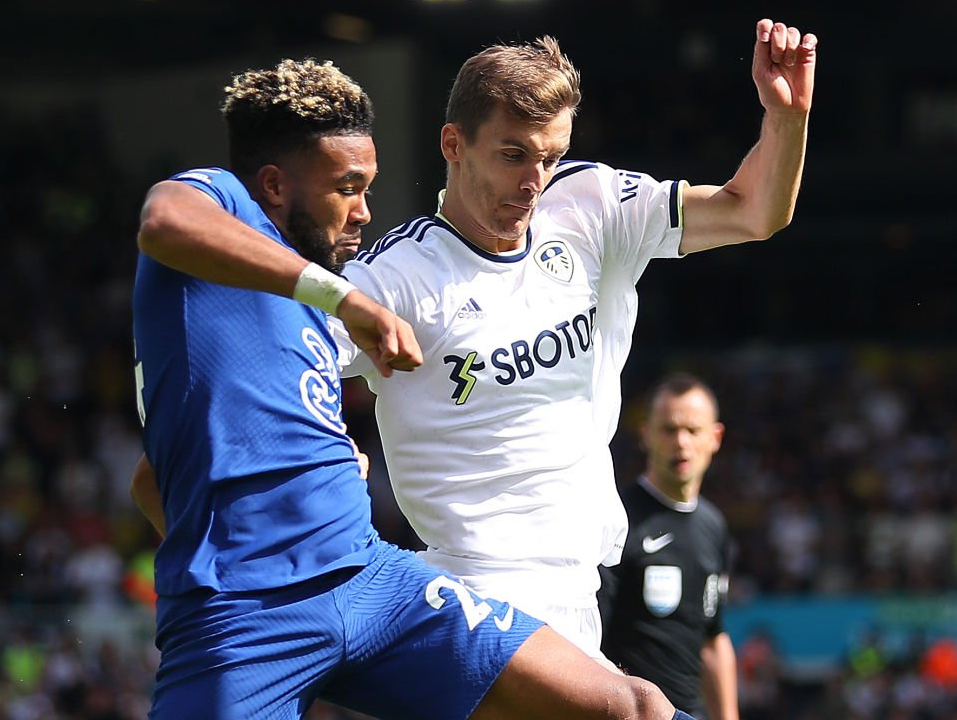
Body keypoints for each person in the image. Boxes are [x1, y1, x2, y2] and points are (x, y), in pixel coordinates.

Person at [129, 57, 693, 720]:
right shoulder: (221, 211)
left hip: (370, 580)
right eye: (348, 186)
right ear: (277, 185)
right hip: (246, 619)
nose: (366, 210)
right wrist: (241, 564)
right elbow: (162, 222)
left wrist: (323, 483)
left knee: (634, 707)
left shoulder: (302, 305)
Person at [334, 18, 816, 660]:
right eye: (512, 155)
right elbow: (273, 362)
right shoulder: (399, 278)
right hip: (476, 594)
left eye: (549, 157)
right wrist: (324, 456)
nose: (533, 183)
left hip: (580, 588)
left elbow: (754, 212)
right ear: (453, 143)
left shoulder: (588, 209)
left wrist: (787, 118)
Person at [598, 374, 737, 720]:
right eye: (668, 429)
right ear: (645, 435)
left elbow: (712, 640)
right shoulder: (617, 518)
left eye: (692, 430)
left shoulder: (713, 527)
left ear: (715, 437)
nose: (681, 442)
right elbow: (588, 639)